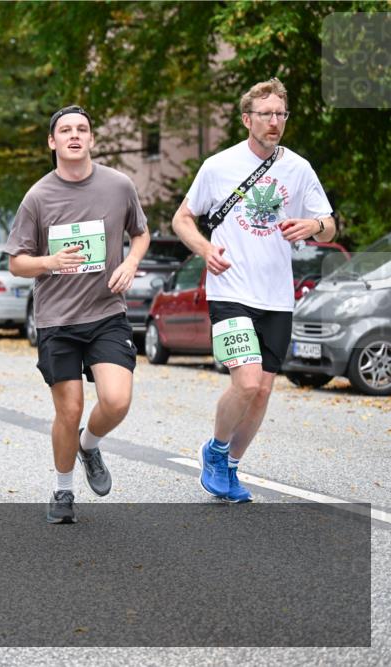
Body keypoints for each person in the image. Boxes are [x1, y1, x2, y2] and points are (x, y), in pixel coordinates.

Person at [171, 78, 335, 503]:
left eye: (281, 114)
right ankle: (216, 450)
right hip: (230, 290)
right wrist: (206, 250)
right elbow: (182, 219)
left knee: (263, 390)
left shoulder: (298, 169)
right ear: (247, 119)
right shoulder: (218, 166)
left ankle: (232, 467)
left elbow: (329, 222)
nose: (274, 121)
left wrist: (314, 226)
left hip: (277, 296)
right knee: (245, 383)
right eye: (266, 114)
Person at [6, 105, 149, 525]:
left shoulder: (118, 185)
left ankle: (90, 444)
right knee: (68, 410)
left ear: (91, 139)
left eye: (82, 129)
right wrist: (49, 262)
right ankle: (63, 490)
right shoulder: (37, 197)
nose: (74, 135)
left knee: (117, 400)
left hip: (106, 312)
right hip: (57, 319)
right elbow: (17, 263)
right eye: (65, 130)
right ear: (52, 142)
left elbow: (139, 233)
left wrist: (130, 263)